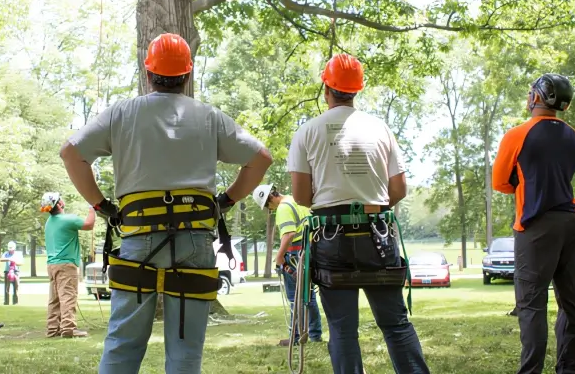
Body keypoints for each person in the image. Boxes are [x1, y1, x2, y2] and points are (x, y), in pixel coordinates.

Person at [60, 32, 272, 374]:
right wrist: (226, 200)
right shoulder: (209, 117)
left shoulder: (122, 113)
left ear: (148, 73)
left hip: (138, 239)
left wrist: (102, 206)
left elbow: (71, 152)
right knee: (186, 354)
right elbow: (261, 158)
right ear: (187, 76)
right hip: (195, 239)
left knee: (123, 347)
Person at [288, 54, 429, 374]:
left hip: (331, 237)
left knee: (341, 329)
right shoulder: (380, 128)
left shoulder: (308, 132)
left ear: (327, 88)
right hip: (378, 236)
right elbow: (399, 189)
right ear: (356, 90)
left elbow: (300, 196)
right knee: (395, 323)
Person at [493, 73, 575, 374]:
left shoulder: (517, 135)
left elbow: (500, 182)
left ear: (539, 97)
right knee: (572, 300)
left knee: (532, 303)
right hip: (570, 222)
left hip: (536, 224)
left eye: (532, 91)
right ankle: (572, 369)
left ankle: (531, 371)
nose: (528, 95)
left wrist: (524, 183)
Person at [252, 184, 323, 347]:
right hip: (309, 252)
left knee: (295, 298)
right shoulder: (295, 201)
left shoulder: (283, 208)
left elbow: (289, 233)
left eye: (267, 206)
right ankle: (314, 335)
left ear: (269, 199)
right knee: (308, 296)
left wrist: (279, 257)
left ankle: (296, 337)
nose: (269, 209)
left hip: (295, 255)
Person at [41, 192, 95, 338]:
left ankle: (53, 329)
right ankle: (68, 328)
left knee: (55, 298)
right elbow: (89, 224)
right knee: (68, 296)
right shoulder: (67, 219)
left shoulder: (49, 223)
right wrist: (92, 207)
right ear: (59, 204)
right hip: (66, 265)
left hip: (52, 265)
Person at [2, 241, 23, 305]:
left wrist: (15, 262)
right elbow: (1, 259)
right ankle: (6, 302)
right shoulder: (6, 253)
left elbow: (21, 263)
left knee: (16, 287)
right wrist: (9, 259)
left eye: (12, 249)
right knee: (7, 288)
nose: (10, 250)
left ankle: (15, 302)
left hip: (16, 272)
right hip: (7, 271)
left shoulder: (18, 254)